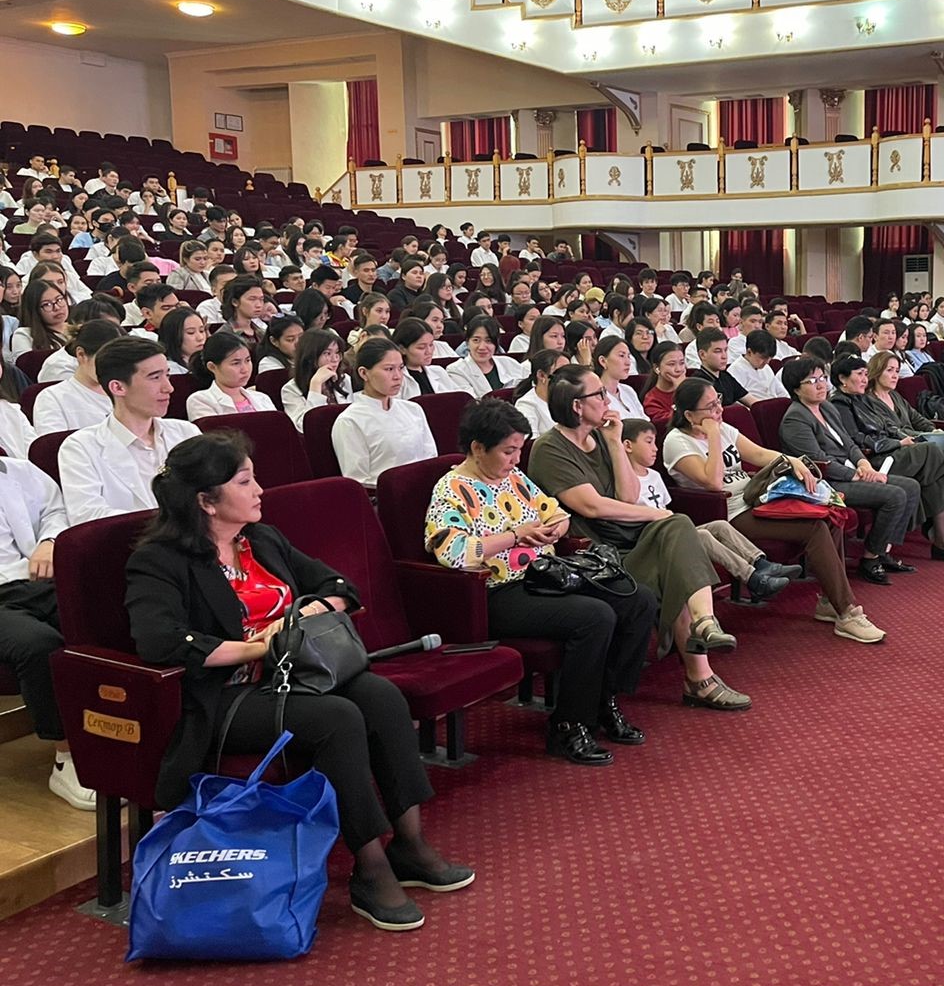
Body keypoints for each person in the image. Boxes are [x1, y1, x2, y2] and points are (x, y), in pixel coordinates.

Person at [126, 432, 470, 932]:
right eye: (245, 481)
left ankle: (410, 844)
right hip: (226, 696)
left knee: (381, 695)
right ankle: (370, 867)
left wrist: (299, 618)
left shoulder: (260, 540)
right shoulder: (160, 560)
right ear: (206, 501)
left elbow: (339, 588)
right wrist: (259, 647)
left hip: (296, 674)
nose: (259, 489)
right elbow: (162, 642)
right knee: (337, 718)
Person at [426, 399, 655, 765]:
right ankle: (568, 724)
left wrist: (554, 529)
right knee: (595, 616)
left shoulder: (514, 478)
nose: (516, 459)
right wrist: (514, 536)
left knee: (637, 599)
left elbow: (556, 513)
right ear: (478, 448)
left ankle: (604, 699)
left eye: (519, 450)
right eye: (508, 451)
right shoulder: (452, 489)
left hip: (546, 575)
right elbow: (454, 552)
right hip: (496, 590)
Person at [528, 367, 749, 711]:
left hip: (630, 539)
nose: (607, 400)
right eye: (599, 394)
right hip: (595, 555)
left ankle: (705, 631)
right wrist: (657, 514)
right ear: (576, 406)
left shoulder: (603, 437)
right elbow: (593, 507)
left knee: (678, 533)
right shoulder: (549, 448)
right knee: (674, 531)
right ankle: (700, 673)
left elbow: (629, 496)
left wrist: (615, 443)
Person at [660, 383, 890, 642]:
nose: (719, 409)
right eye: (710, 406)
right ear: (689, 415)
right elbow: (713, 482)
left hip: (757, 497)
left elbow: (759, 454)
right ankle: (848, 613)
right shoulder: (677, 442)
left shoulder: (723, 427)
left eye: (719, 401)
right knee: (814, 528)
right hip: (729, 511)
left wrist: (791, 460)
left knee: (829, 514)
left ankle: (829, 602)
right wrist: (712, 435)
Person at [828, 354, 944, 562]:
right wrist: (902, 442)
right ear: (843, 379)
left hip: (892, 450)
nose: (864, 378)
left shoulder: (867, 399)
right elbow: (858, 440)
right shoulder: (842, 403)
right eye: (860, 374)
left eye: (865, 374)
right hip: (877, 460)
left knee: (940, 467)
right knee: (932, 452)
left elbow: (893, 427)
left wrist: (934, 433)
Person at [0, 455, 94, 809]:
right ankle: (66, 759)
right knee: (40, 646)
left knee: (102, 613)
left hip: (34, 581)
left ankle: (121, 735)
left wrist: (50, 541)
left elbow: (55, 509)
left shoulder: (19, 470)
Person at [777, 356, 916, 586]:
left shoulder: (827, 407)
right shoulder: (795, 418)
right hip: (826, 481)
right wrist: (855, 475)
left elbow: (848, 443)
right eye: (812, 381)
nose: (821, 385)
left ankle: (882, 550)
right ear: (796, 388)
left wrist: (863, 464)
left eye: (822, 378)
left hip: (850, 471)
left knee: (910, 487)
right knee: (895, 495)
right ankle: (870, 559)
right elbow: (818, 462)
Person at [623, 419, 797, 597]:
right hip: (649, 539)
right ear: (628, 446)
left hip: (670, 530)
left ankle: (762, 564)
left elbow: (666, 508)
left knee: (720, 525)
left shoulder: (654, 476)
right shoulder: (624, 483)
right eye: (649, 442)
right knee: (703, 536)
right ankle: (753, 579)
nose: (655, 449)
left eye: (655, 442)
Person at [58, 337, 201, 524]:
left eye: (168, 375)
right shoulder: (80, 447)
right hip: (127, 540)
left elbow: (216, 492)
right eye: (155, 377)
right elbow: (87, 516)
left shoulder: (186, 433)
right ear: (118, 387)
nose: (169, 388)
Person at [333, 338, 439, 487]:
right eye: (389, 369)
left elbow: (431, 457)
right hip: (386, 494)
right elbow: (357, 479)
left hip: (426, 488)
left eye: (400, 368)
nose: (398, 376)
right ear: (364, 373)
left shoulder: (413, 409)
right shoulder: (350, 421)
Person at [32, 320, 120, 433]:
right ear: (81, 355)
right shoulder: (52, 398)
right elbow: (53, 442)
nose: (113, 368)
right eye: (105, 362)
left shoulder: (127, 390)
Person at [187, 332, 275, 420]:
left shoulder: (262, 398)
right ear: (212, 367)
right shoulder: (201, 400)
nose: (245, 369)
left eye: (247, 360)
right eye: (236, 363)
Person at [281, 328, 351, 430]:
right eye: (327, 353)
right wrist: (316, 384)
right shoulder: (290, 389)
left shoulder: (344, 380)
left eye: (337, 353)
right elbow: (303, 427)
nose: (335, 359)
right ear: (311, 357)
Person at [444, 315, 528, 398]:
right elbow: (471, 402)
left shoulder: (509, 363)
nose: (482, 347)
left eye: (488, 341)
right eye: (476, 340)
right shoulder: (456, 370)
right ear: (467, 342)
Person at [512, 348, 567, 438]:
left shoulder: (571, 397)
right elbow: (530, 442)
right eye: (561, 372)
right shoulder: (527, 404)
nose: (569, 377)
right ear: (541, 375)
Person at [10, 278, 70, 359]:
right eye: (47, 304)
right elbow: (25, 363)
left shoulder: (78, 329)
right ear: (34, 310)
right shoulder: (24, 334)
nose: (57, 307)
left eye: (59, 299)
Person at [594, 335, 646, 418]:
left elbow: (645, 420)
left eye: (628, 356)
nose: (628, 362)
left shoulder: (628, 390)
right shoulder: (596, 396)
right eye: (621, 355)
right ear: (603, 361)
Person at [728, 329, 785, 400]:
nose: (767, 362)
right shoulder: (735, 371)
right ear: (749, 352)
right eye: (763, 358)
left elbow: (781, 392)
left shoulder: (766, 368)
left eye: (769, 358)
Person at [642, 340, 689, 423]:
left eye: (682, 363)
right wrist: (681, 392)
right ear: (656, 368)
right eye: (671, 364)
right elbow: (669, 423)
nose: (678, 369)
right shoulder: (652, 400)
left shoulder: (694, 386)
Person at [396, 319, 442, 400]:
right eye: (421, 347)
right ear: (402, 349)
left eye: (431, 345)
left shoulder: (439, 371)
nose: (429, 351)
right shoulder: (396, 379)